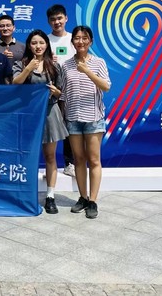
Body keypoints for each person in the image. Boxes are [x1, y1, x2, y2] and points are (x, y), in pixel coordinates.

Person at [12, 30, 68, 214]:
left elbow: (61, 93)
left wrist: (55, 92)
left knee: (50, 156)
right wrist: (28, 68)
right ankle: (25, 193)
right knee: (27, 155)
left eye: (41, 43)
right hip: (29, 115)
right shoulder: (21, 64)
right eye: (34, 43)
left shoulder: (54, 66)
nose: (38, 46)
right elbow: (15, 83)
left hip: (50, 114)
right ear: (29, 45)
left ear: (46, 45)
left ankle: (50, 196)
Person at [61, 26, 111, 219]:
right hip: (73, 118)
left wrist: (87, 71)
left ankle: (93, 201)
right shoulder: (66, 65)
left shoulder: (99, 62)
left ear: (90, 41)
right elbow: (64, 93)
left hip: (93, 119)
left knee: (94, 160)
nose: (80, 41)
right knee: (79, 160)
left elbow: (106, 86)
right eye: (77, 38)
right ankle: (83, 197)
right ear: (72, 41)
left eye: (84, 38)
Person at [47, 4, 77, 178]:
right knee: (50, 128)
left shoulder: (75, 39)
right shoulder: (45, 40)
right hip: (51, 89)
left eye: (59, 18)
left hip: (72, 88)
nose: (57, 22)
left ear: (66, 18)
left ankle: (69, 163)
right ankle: (49, 166)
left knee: (70, 126)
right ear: (49, 22)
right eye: (53, 19)